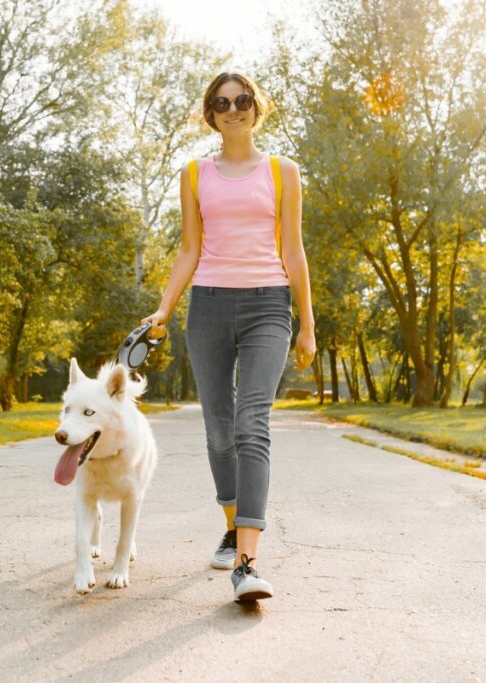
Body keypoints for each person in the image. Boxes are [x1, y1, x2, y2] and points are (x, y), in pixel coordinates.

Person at [141, 71, 316, 602]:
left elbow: (294, 250)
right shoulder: (194, 174)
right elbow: (189, 250)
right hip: (210, 307)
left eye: (242, 100)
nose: (233, 108)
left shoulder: (284, 172)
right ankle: (231, 522)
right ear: (210, 113)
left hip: (269, 304)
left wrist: (307, 323)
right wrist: (164, 308)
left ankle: (247, 561)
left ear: (256, 108)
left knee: (250, 423)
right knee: (218, 430)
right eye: (222, 102)